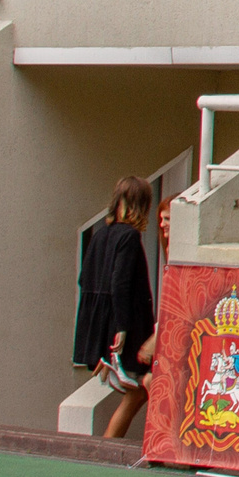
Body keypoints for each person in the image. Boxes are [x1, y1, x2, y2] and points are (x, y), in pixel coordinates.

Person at [73, 176, 156, 439]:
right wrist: (121, 328)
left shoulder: (100, 235)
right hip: (126, 325)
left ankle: (109, 445)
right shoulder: (130, 237)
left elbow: (83, 279)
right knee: (145, 386)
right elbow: (121, 284)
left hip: (97, 324)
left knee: (138, 391)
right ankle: (119, 444)